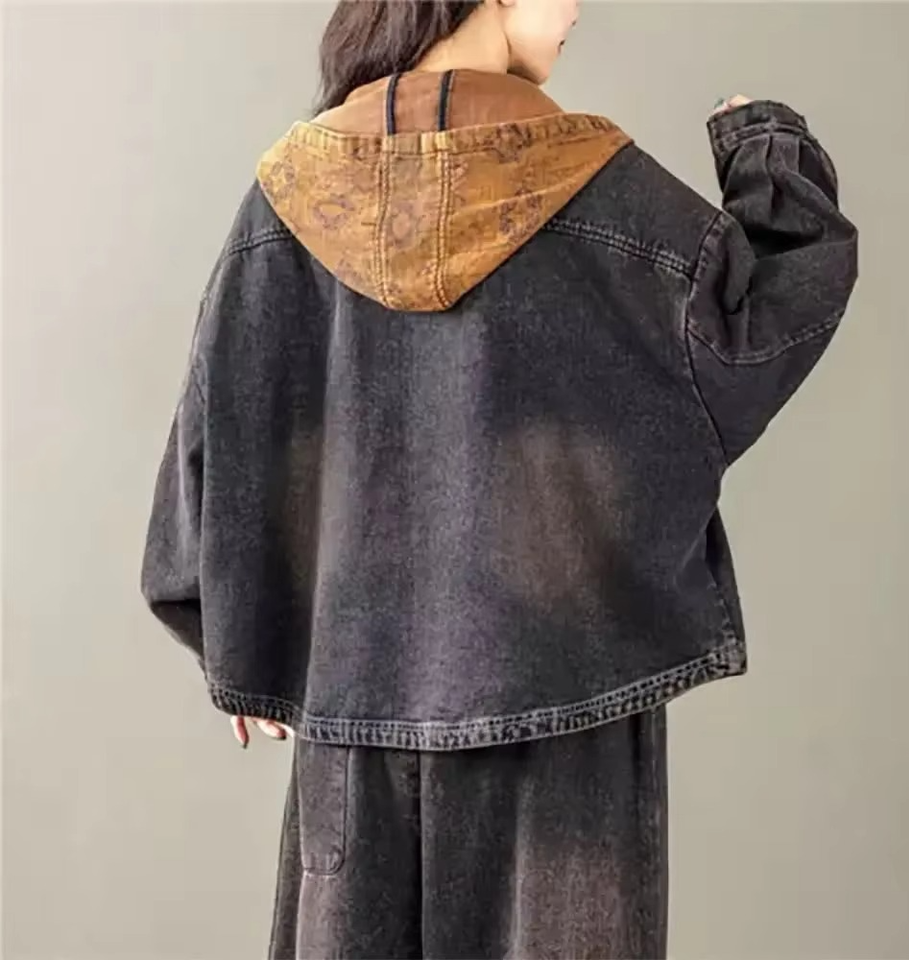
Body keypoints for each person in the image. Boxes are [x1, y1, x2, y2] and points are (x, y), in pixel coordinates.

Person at [140, 0, 858, 956]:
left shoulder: (288, 197)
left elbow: (213, 431)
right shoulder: (605, 188)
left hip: (355, 732)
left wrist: (233, 636)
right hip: (569, 739)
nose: (580, 9)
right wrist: (767, 153)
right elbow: (755, 329)